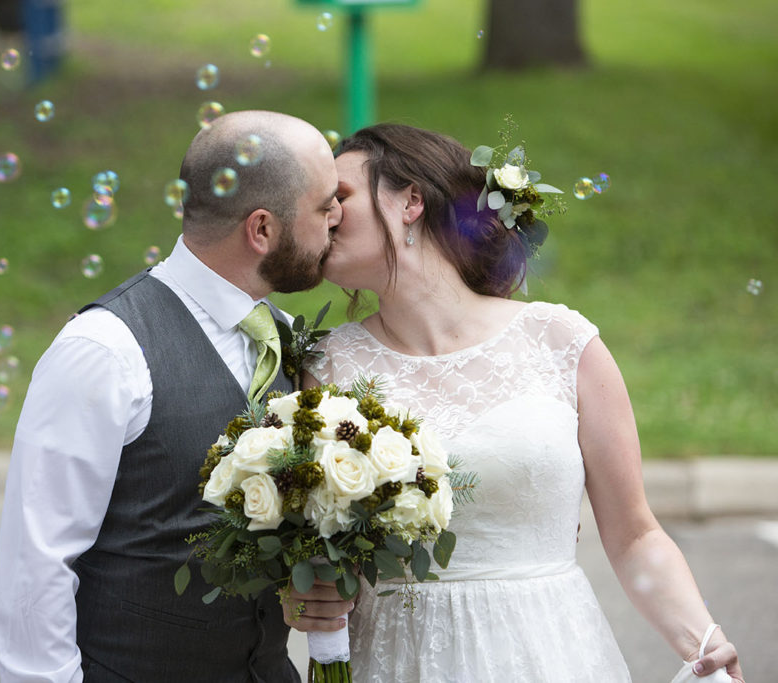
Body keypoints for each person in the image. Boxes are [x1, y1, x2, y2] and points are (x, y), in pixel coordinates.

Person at [298, 123, 744, 682]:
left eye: (339, 197)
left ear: (410, 200)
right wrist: (306, 597)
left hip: (547, 653)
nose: (325, 215)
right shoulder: (326, 369)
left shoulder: (559, 341)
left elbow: (634, 535)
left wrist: (703, 640)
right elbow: (319, 558)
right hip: (398, 661)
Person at [0, 110, 347, 682]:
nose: (339, 216)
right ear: (262, 229)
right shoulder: (105, 350)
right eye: (325, 203)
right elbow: (36, 562)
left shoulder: (283, 337)